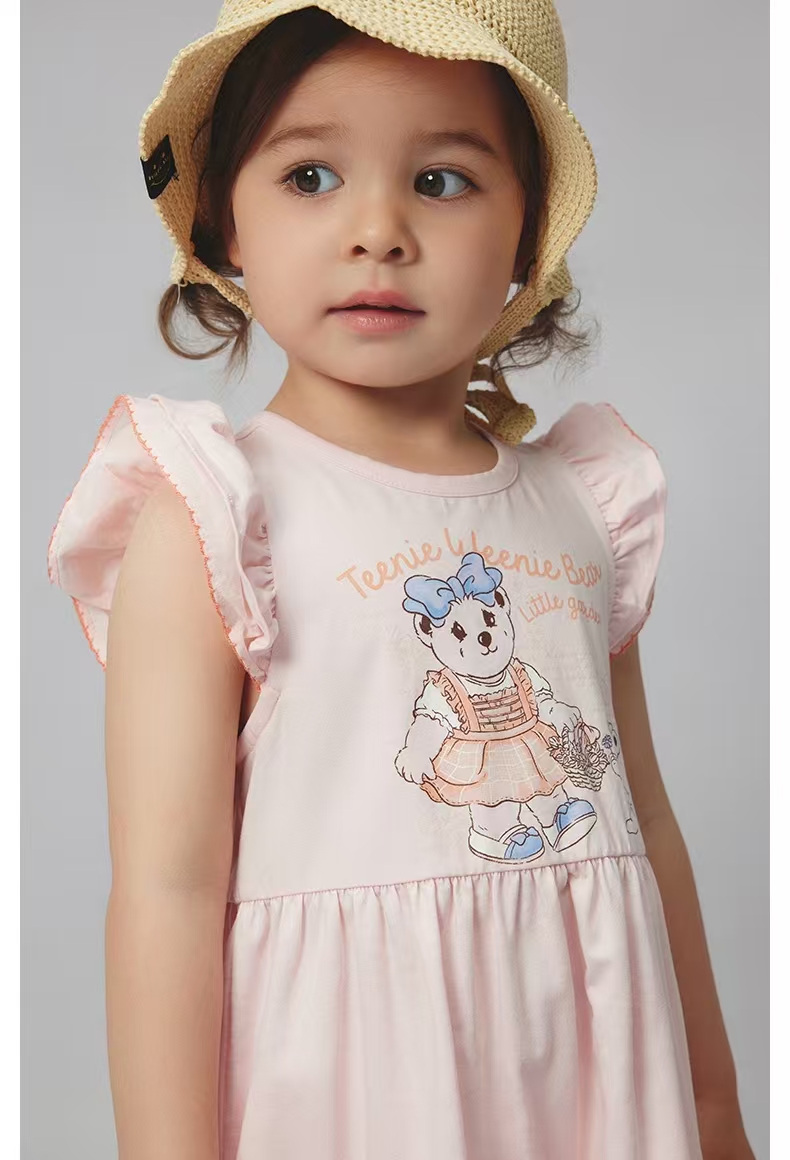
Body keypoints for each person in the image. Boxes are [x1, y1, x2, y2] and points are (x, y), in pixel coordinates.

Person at [46, 3, 755, 1158]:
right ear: (226, 217)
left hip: (591, 1069)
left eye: (441, 180)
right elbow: (167, 889)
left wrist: (714, 1107)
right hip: (355, 1081)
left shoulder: (583, 505)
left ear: (529, 233)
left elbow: (648, 821)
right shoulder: (220, 516)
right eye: (310, 175)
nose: (377, 230)